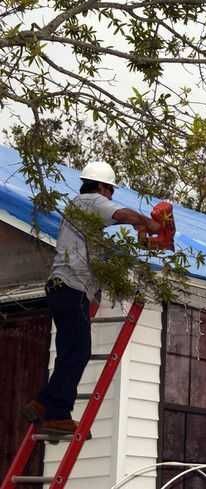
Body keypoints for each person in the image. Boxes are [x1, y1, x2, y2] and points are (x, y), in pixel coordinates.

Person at [22, 161, 161, 436]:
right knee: (80, 352)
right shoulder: (92, 201)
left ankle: (49, 411)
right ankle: (49, 407)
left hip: (61, 288)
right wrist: (149, 223)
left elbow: (99, 248)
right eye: (110, 190)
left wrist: (139, 235)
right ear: (101, 186)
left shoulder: (79, 210)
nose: (110, 196)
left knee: (67, 354)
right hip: (71, 289)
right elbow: (121, 214)